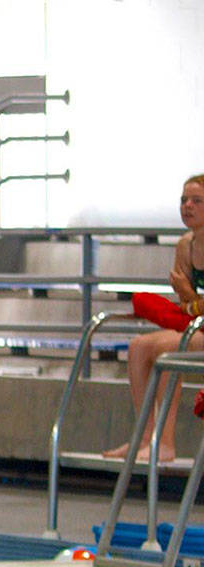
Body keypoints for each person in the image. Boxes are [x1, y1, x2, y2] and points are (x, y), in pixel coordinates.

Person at [103, 174, 204, 462]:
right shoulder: (185, 245)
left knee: (167, 349)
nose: (187, 206)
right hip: (198, 325)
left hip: (198, 325)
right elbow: (187, 302)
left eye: (197, 201)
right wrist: (189, 302)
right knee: (138, 346)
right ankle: (145, 438)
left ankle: (167, 443)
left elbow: (189, 301)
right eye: (184, 200)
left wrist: (189, 300)